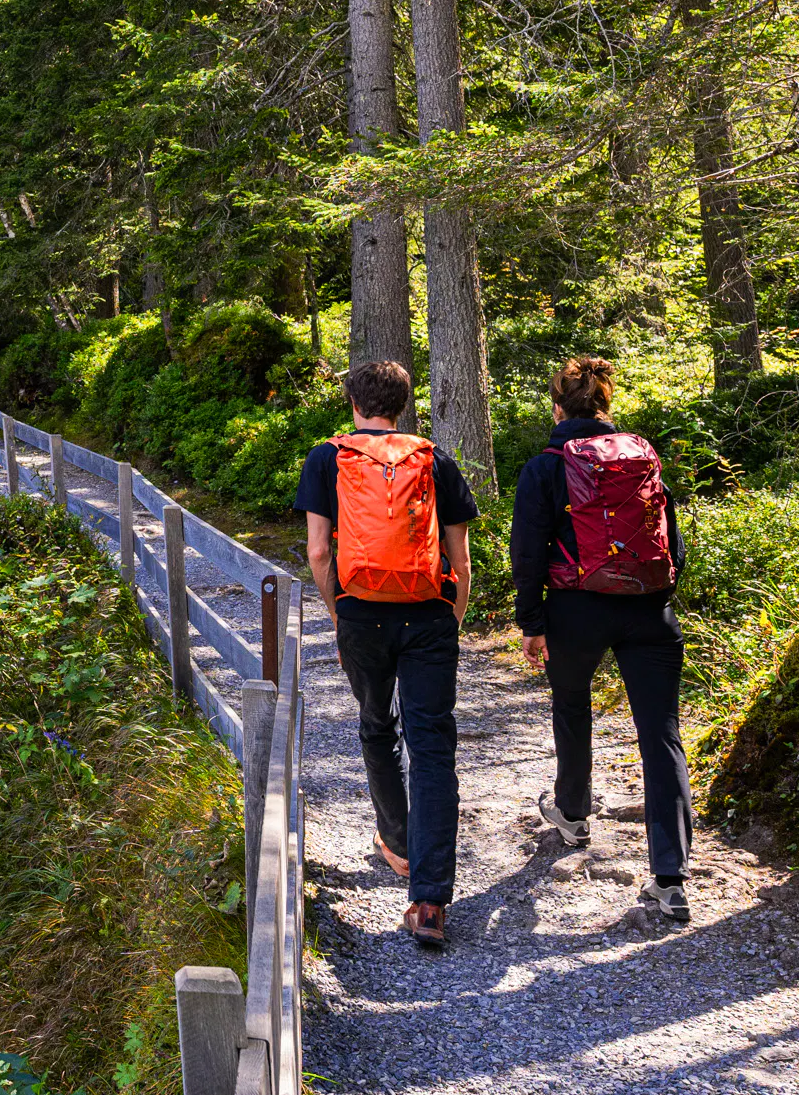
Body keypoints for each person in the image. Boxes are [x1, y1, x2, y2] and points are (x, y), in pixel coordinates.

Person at [298, 360, 477, 951]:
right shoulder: (434, 458)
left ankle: (396, 842)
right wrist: (449, 620)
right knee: (433, 746)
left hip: (361, 614)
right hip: (428, 615)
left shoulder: (327, 458)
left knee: (377, 724)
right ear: (402, 405)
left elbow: (319, 553)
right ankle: (430, 900)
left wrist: (338, 613)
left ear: (354, 402)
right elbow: (460, 561)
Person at [510, 354, 695, 926]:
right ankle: (671, 878)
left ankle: (572, 813)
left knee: (572, 705)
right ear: (607, 405)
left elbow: (527, 552)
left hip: (575, 610)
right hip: (650, 609)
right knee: (661, 733)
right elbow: (672, 538)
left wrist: (532, 623)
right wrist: (659, 596)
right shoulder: (641, 455)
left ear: (557, 409)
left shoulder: (545, 467)